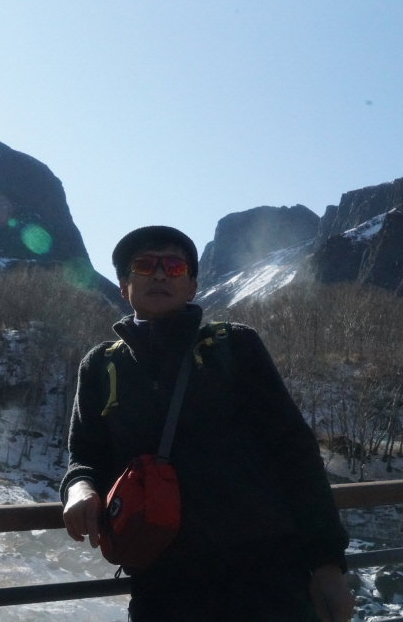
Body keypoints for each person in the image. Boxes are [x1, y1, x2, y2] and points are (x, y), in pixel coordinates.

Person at [61, 226, 354, 622]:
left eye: (174, 266)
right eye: (144, 265)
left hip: (267, 577)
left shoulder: (235, 346)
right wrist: (79, 488)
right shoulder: (101, 365)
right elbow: (85, 454)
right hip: (162, 582)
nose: (159, 274)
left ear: (192, 287)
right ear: (124, 287)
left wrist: (327, 564)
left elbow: (295, 452)